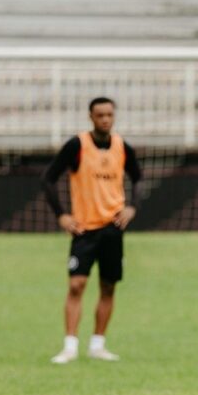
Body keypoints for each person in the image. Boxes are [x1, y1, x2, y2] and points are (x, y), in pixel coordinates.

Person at [42, 97, 143, 364]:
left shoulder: (122, 147)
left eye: (109, 114)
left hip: (113, 228)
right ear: (91, 117)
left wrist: (131, 207)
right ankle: (70, 346)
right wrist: (62, 215)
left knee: (108, 286)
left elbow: (138, 178)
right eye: (100, 115)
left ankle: (98, 344)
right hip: (84, 229)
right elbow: (48, 178)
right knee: (77, 284)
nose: (105, 119)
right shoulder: (78, 145)